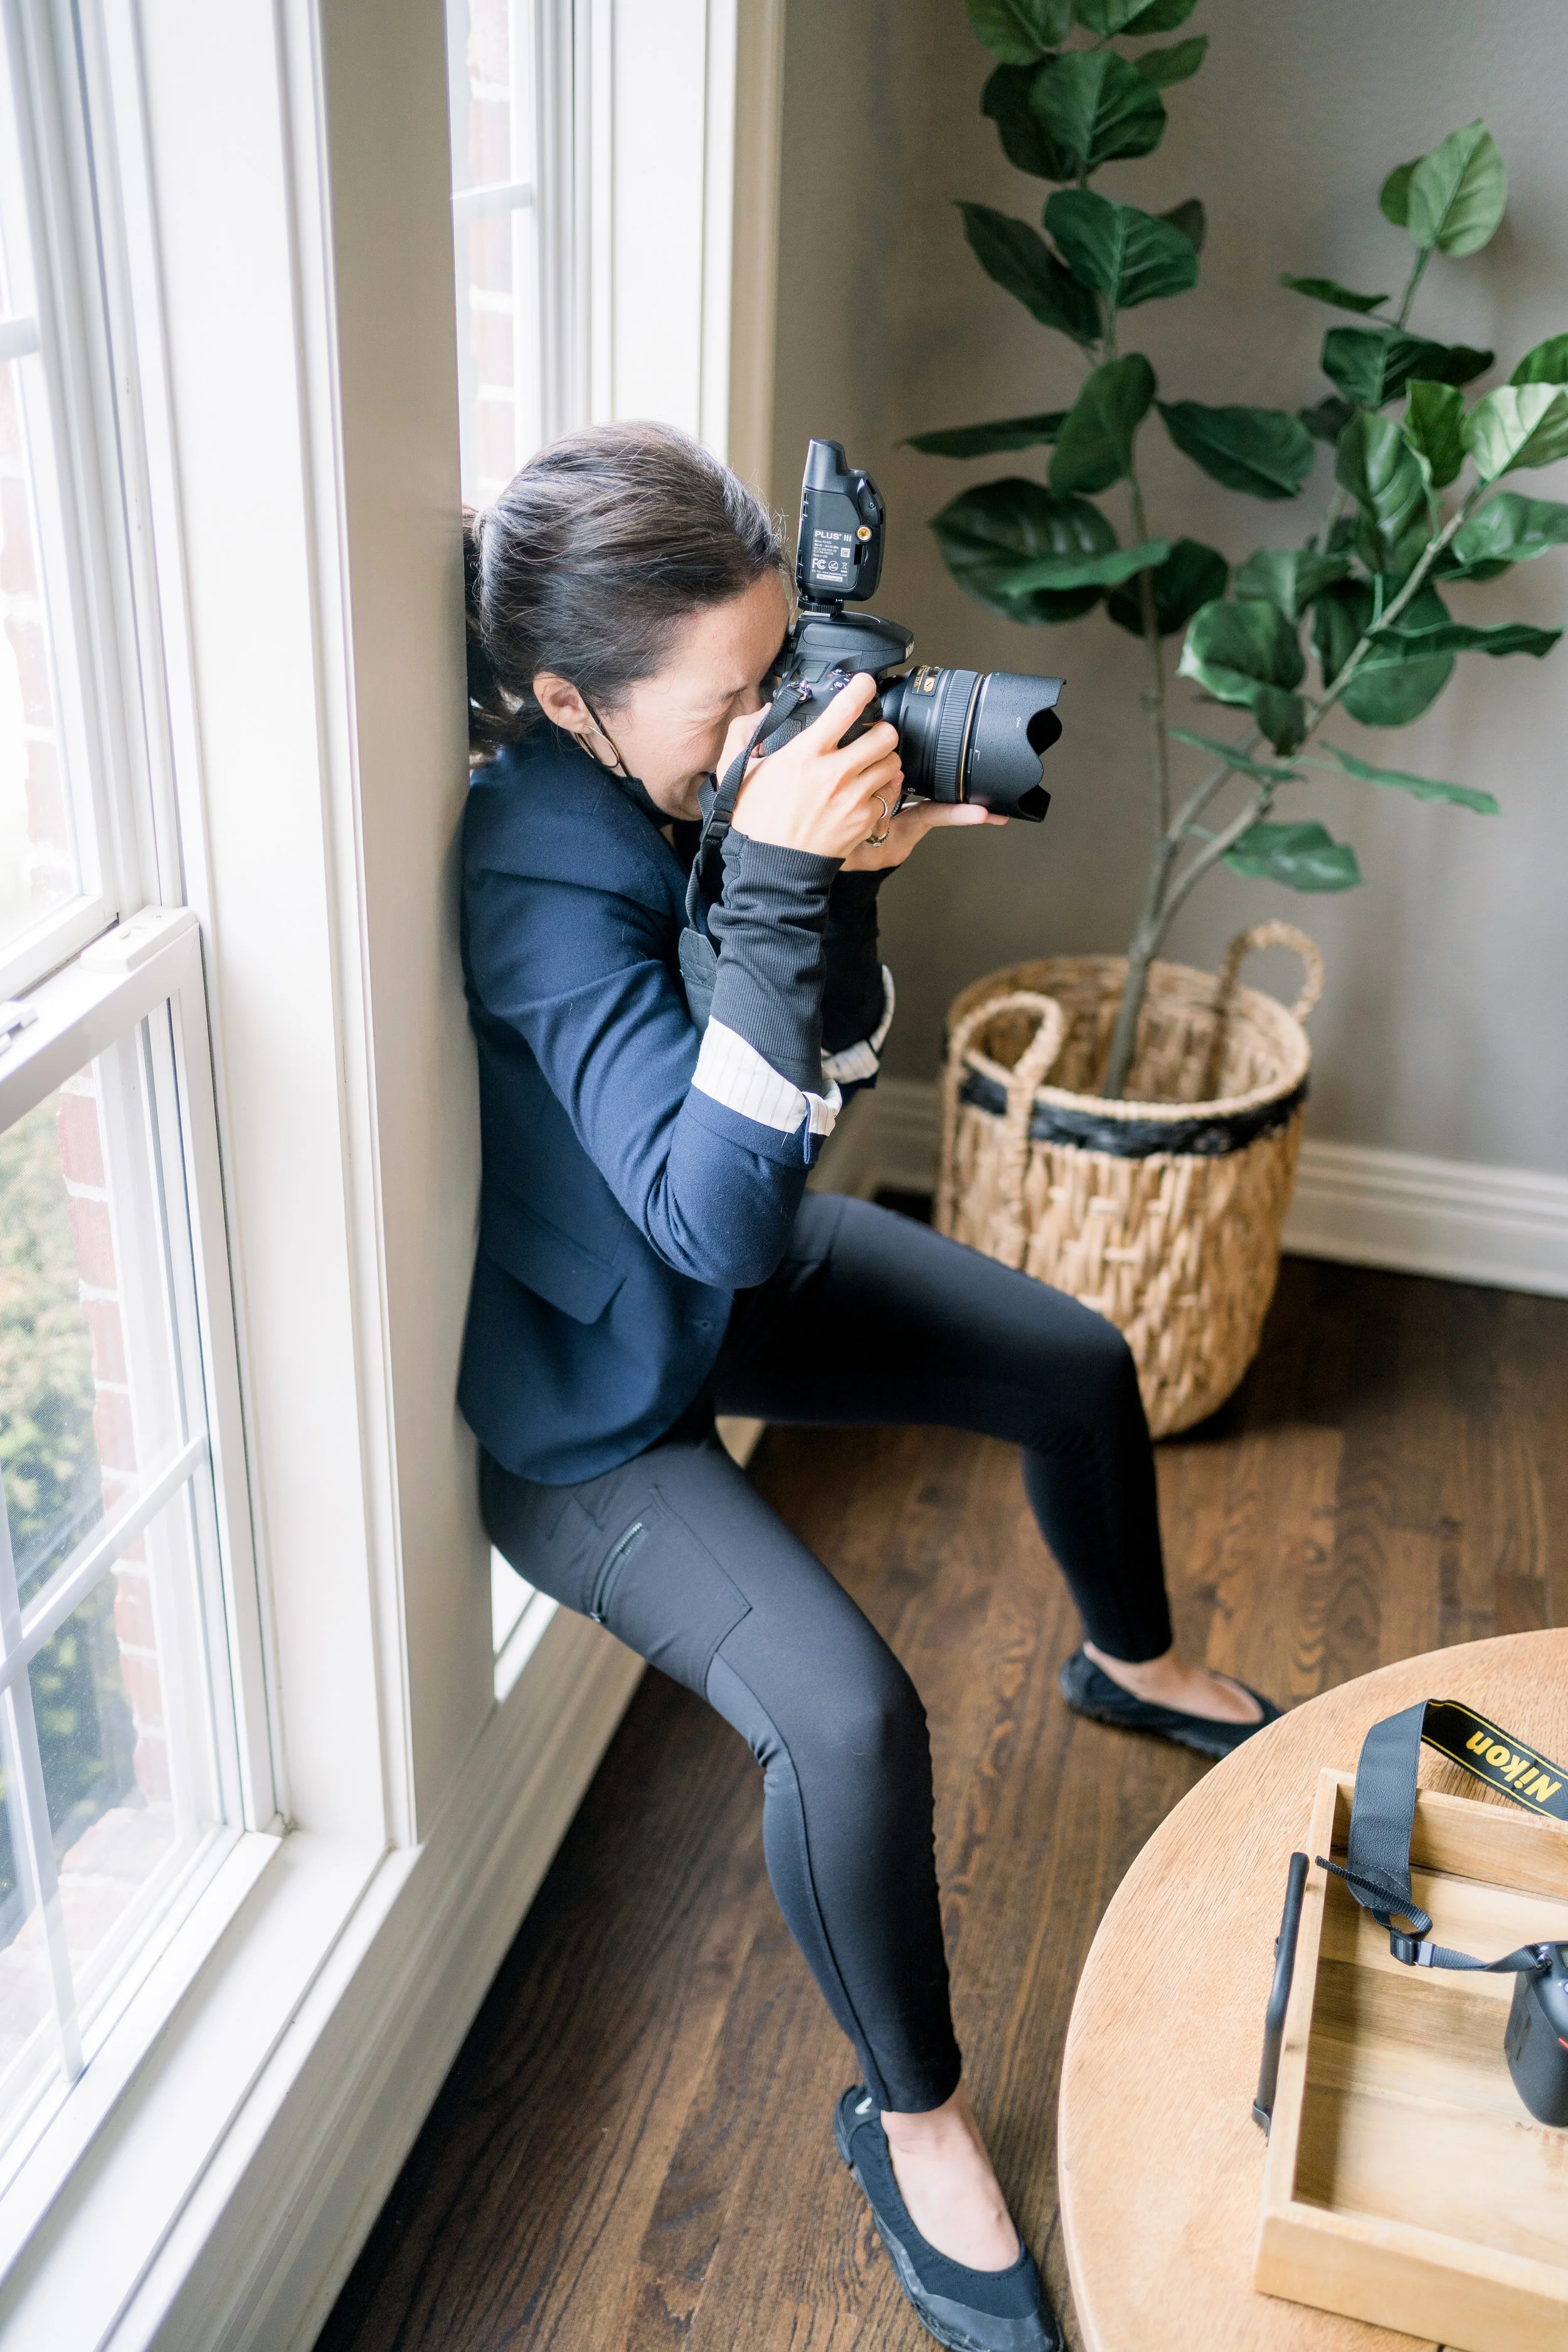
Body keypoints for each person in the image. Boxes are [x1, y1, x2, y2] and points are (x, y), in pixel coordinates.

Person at [459, 421, 1279, 2352]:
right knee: (850, 1720)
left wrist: (847, 876)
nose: (779, 723)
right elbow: (724, 1209)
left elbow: (815, 1049)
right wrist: (768, 877)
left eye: (781, 668)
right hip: (600, 1399)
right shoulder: (536, 874)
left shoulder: (684, 785)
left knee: (1075, 1361)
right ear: (574, 698)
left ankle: (1132, 1662)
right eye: (736, 694)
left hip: (708, 1283)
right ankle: (911, 2119)